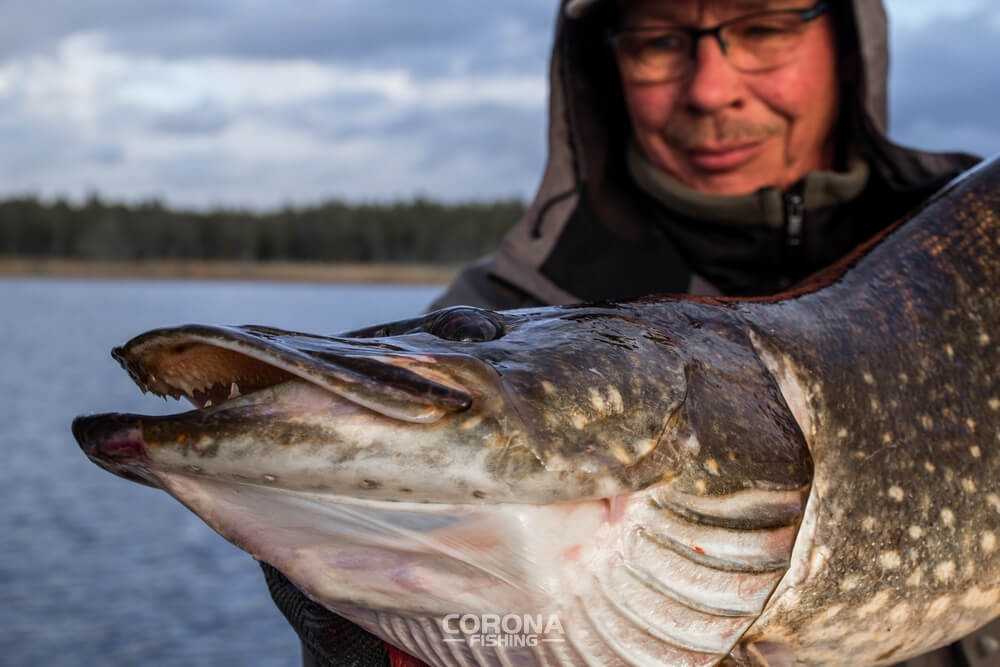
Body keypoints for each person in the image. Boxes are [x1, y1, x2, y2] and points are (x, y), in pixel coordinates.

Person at [264, 1, 994, 665]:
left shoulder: (979, 261)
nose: (711, 90)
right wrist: (361, 646)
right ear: (604, 60)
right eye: (659, 41)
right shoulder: (500, 311)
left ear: (847, 38)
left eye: (764, 29)